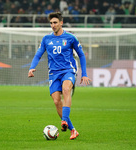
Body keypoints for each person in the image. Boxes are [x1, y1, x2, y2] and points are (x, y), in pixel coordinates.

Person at [28, 12, 91, 140]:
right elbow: (38, 54)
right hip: (53, 73)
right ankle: (73, 129)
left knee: (66, 89)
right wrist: (32, 67)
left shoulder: (70, 38)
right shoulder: (46, 39)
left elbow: (82, 55)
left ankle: (64, 121)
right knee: (57, 101)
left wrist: (84, 74)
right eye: (51, 23)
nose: (53, 25)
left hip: (68, 70)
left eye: (55, 22)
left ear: (61, 23)